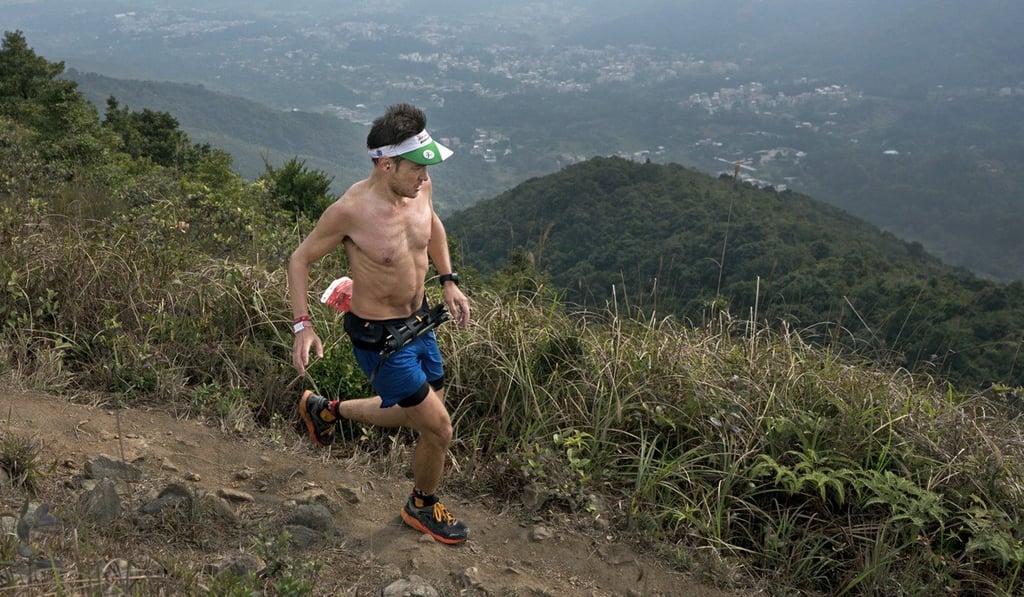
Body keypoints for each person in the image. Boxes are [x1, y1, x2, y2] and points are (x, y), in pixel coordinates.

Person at [288, 103, 471, 545]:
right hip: (380, 339)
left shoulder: (418, 189)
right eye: (417, 168)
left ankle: (325, 410)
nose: (426, 177)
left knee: (415, 418)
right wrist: (303, 326)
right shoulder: (351, 211)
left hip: (420, 323)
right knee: (439, 427)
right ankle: (421, 506)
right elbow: (299, 259)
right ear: (387, 165)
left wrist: (448, 280)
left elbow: (434, 228)